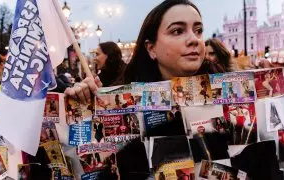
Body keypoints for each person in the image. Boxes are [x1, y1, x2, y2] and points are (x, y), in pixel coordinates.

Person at [64, 0, 209, 179]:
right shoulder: (124, 104)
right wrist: (84, 110)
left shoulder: (236, 100)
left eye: (199, 30)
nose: (194, 40)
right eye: (177, 31)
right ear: (151, 48)